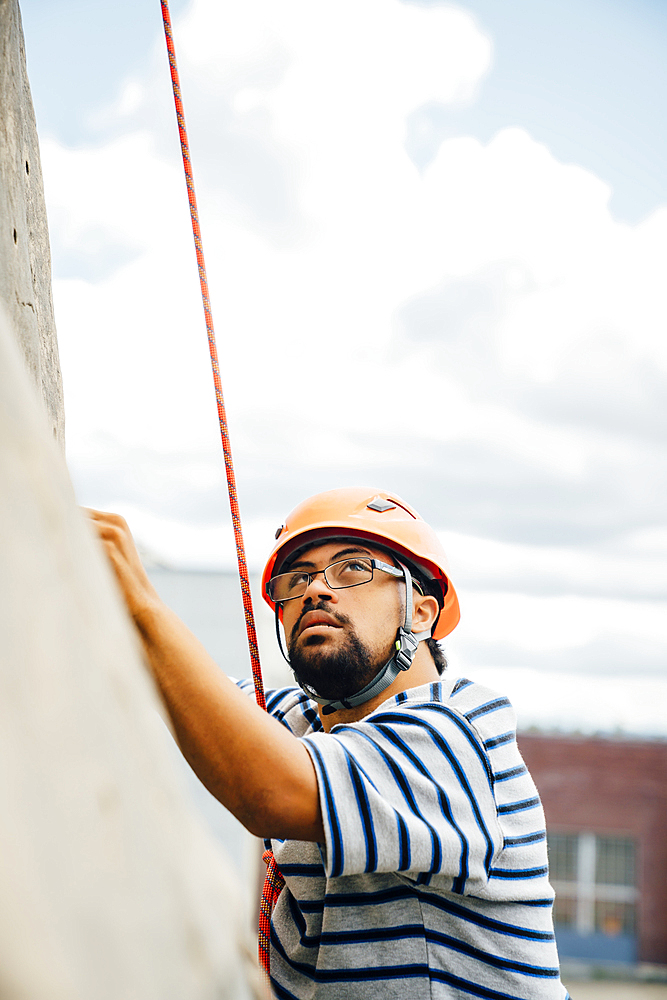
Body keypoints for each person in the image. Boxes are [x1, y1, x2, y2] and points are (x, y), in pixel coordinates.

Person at [89, 486, 569, 999]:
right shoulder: (301, 726)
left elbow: (272, 792)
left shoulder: (458, 728)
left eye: (353, 569)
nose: (316, 591)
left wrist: (140, 607)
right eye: (297, 580)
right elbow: (180, 689)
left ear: (423, 612)